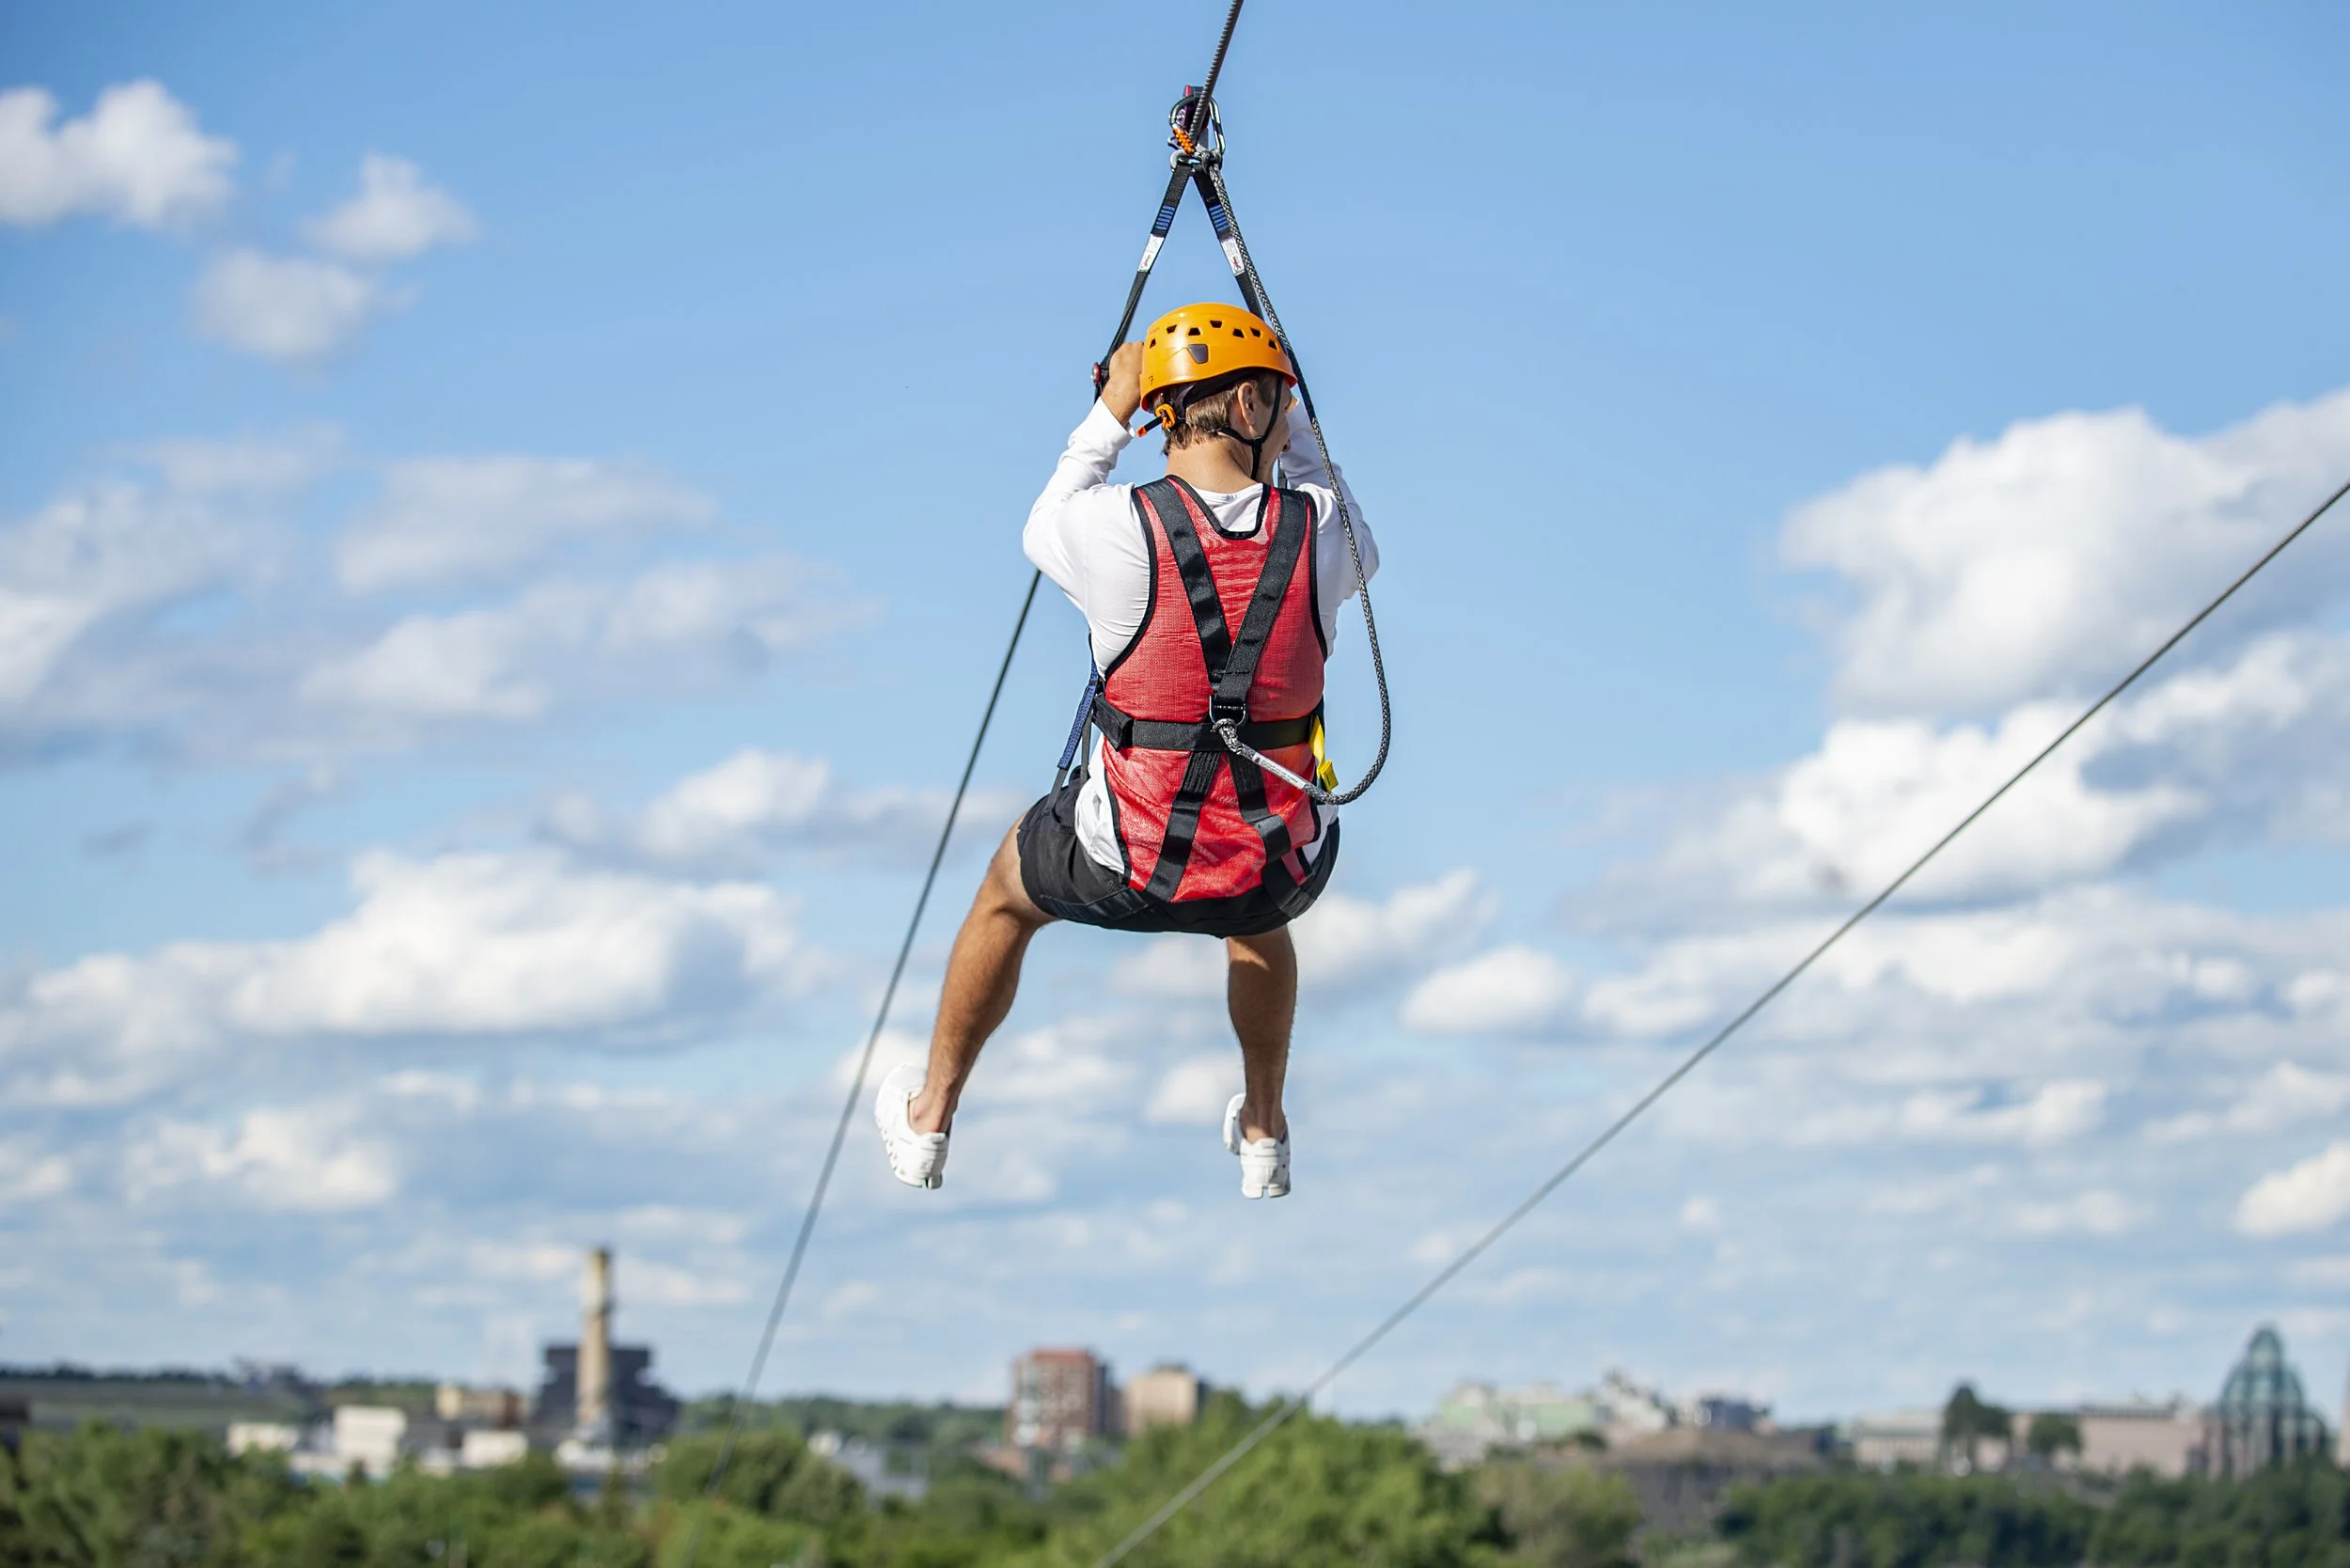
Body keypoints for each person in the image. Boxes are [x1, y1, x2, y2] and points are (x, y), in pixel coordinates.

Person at [874, 302, 1377, 1200]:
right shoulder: (1327, 531)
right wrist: (1292, 421)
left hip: (1124, 863)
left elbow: (1043, 519)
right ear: (1258, 410)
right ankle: (1265, 1127)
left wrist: (1111, 406)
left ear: (1165, 415)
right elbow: (1328, 497)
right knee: (1257, 913)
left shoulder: (1112, 528)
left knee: (1004, 896)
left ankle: (932, 1115)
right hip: (1277, 862)